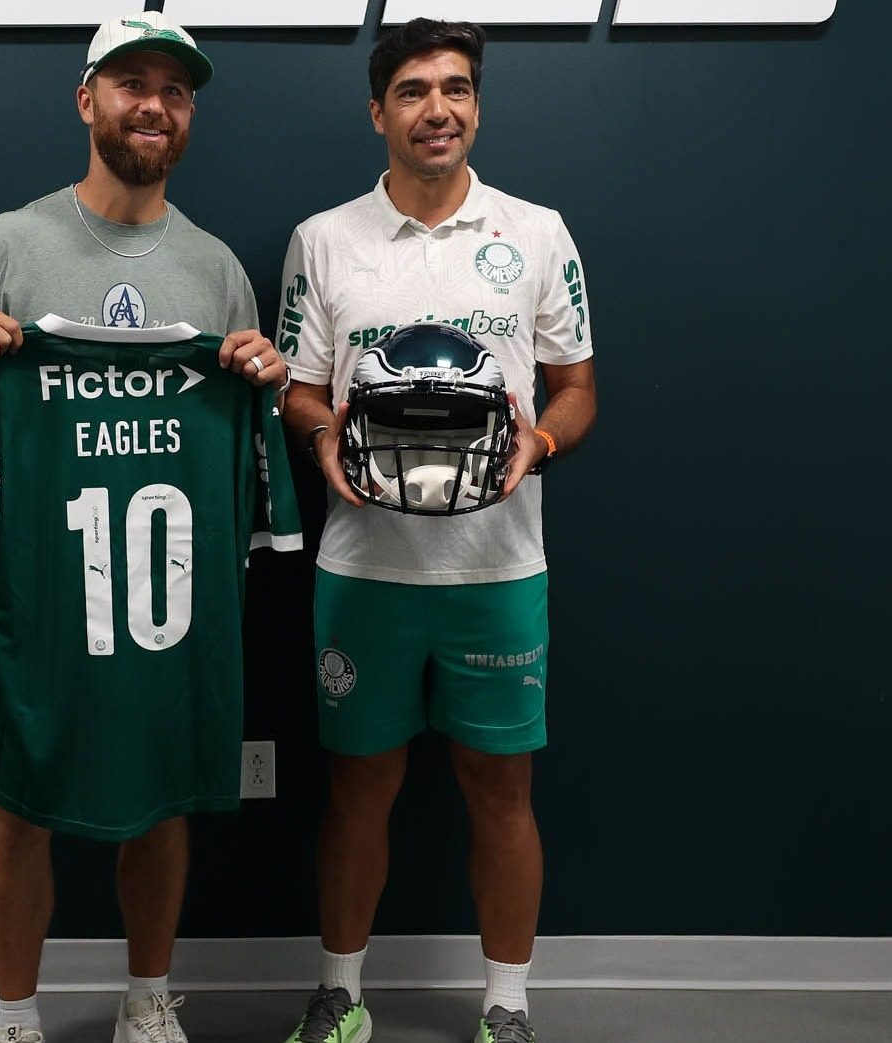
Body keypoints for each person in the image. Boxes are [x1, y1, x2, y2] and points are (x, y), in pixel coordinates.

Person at [0, 12, 294, 1043]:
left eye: (173, 89)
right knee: (23, 803)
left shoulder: (214, 266)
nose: (152, 103)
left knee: (163, 799)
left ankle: (148, 997)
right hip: (42, 589)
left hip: (166, 594)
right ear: (88, 100)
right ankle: (16, 1013)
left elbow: (254, 392)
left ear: (190, 113)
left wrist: (261, 373)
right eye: (131, 83)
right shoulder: (12, 240)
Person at [275, 18, 597, 1043]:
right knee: (358, 785)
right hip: (364, 562)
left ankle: (506, 1005)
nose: (438, 108)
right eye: (413, 91)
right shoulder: (324, 238)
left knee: (501, 785)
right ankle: (340, 992)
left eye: (456, 88)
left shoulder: (537, 231)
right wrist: (323, 432)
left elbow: (579, 387)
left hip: (498, 563)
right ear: (379, 112)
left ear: (477, 105)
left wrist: (538, 443)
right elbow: (298, 383)